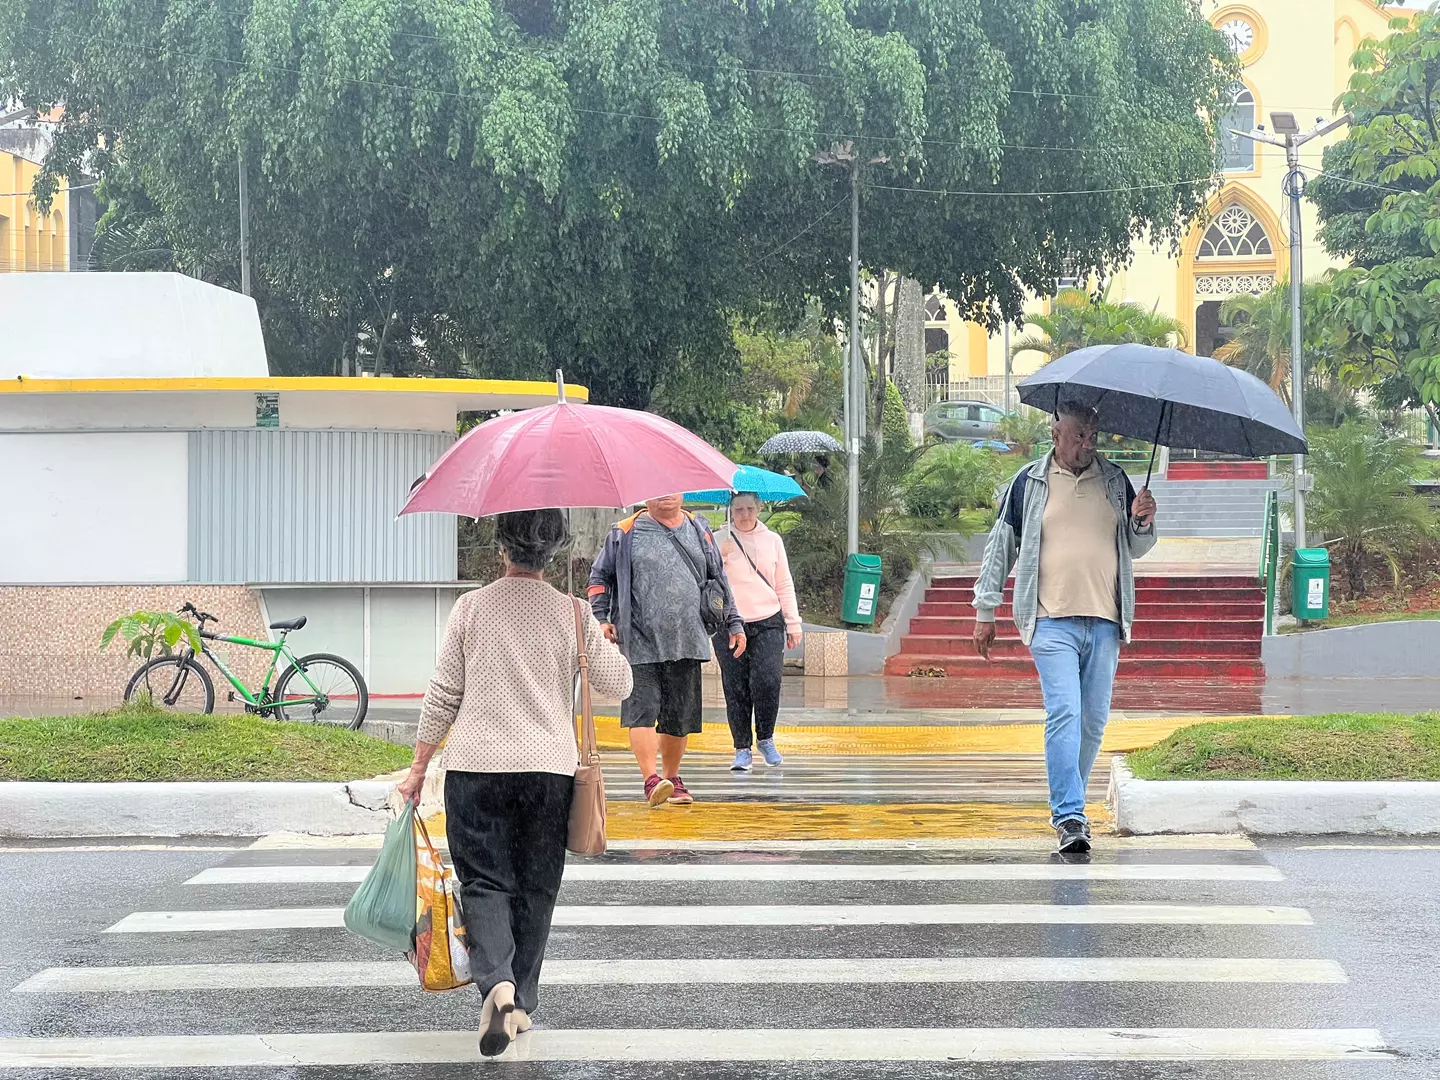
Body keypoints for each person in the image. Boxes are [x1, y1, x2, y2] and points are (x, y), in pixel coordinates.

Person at [394, 509, 632, 1058]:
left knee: (484, 883)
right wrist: (596, 634)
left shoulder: (471, 608)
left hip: (476, 769)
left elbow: (442, 695)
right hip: (547, 773)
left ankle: (497, 986)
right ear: (555, 551)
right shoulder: (572, 612)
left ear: (501, 547)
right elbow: (620, 684)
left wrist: (417, 768)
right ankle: (520, 1001)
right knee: (536, 888)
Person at [971, 403, 1158, 854]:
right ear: (1057, 434)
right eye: (1079, 436)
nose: (1088, 445)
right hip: (1050, 618)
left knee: (1093, 722)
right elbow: (1002, 546)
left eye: (1093, 436)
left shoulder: (1115, 481)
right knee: (1065, 713)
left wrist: (1142, 518)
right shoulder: (1028, 483)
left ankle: (1067, 801)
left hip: (1107, 619)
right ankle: (1070, 815)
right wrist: (985, 609)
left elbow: (1137, 547)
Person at [589, 494, 745, 807]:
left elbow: (719, 580)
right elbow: (600, 576)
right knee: (642, 713)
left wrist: (735, 623)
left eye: (673, 488)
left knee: (678, 718)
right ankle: (651, 779)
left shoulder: (699, 529)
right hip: (639, 641)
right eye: (658, 488)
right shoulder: (625, 531)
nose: (666, 494)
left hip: (688, 639)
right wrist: (601, 617)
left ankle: (671, 777)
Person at [713, 492, 802, 771]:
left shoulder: (773, 540)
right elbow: (706, 581)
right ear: (730, 511)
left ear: (759, 509)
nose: (745, 514)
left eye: (750, 508)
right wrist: (719, 559)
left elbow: (783, 582)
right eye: (739, 509)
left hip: (768, 620)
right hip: (729, 622)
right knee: (736, 686)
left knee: (767, 681)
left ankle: (766, 737)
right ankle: (742, 747)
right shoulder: (717, 540)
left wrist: (793, 622)